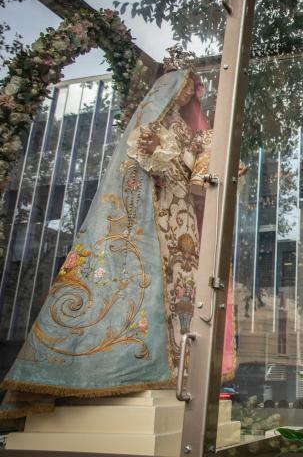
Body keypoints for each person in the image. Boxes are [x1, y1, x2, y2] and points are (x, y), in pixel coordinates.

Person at [0, 52, 220, 416]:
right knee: (145, 281)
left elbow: (195, 161)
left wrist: (202, 159)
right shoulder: (152, 119)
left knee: (180, 283)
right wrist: (162, 156)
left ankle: (174, 366)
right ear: (169, 86)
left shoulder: (185, 127)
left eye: (193, 89)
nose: (188, 94)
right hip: (156, 207)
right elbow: (141, 158)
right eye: (185, 86)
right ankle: (124, 365)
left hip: (180, 208)